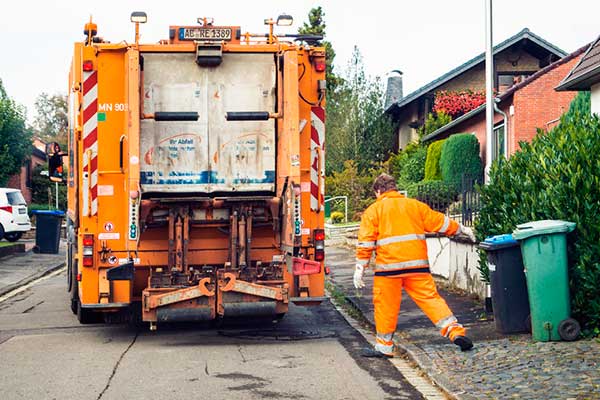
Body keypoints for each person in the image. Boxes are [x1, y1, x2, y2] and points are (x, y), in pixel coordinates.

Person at [354, 173, 476, 357]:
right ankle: (454, 331)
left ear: (379, 191)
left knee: (385, 306)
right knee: (431, 299)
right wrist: (463, 229)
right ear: (395, 188)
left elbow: (366, 242)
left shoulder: (373, 211)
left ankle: (384, 345)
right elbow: (439, 222)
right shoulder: (414, 206)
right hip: (417, 267)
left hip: (389, 270)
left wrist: (360, 269)